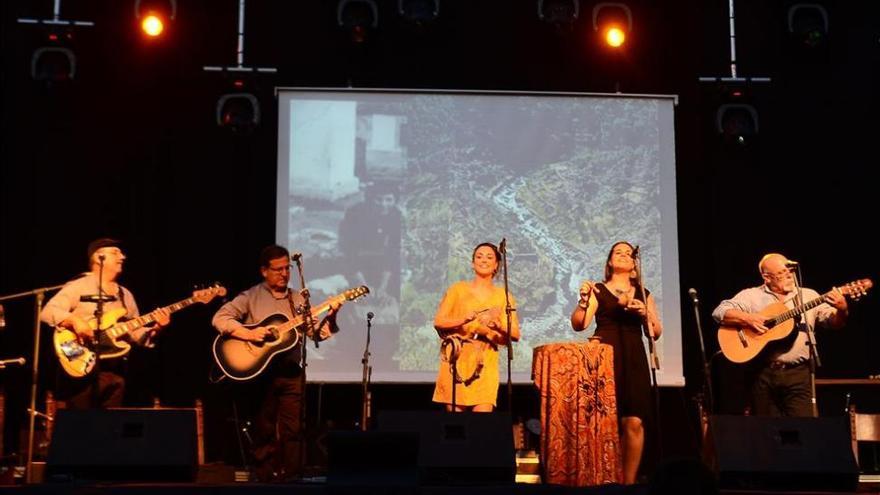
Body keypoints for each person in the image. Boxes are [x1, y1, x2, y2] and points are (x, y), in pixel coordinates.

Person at [212, 244, 342, 482]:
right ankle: (264, 479)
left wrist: (331, 314)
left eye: (287, 268)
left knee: (294, 431)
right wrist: (248, 334)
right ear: (264, 271)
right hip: (261, 375)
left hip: (291, 373)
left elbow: (316, 334)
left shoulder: (296, 300)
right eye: (278, 269)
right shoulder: (250, 296)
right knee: (264, 430)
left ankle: (292, 479)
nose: (284, 274)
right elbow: (220, 318)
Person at [570, 241, 662, 485]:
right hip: (604, 356)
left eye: (628, 253)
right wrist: (583, 300)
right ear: (610, 262)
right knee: (602, 420)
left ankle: (628, 485)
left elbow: (656, 331)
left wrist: (645, 314)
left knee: (634, 420)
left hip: (634, 356)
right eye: (617, 252)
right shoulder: (598, 289)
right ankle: (600, 481)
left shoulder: (644, 292)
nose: (623, 255)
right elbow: (579, 324)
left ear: (634, 264)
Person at [711, 253, 848, 417]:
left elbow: (834, 323)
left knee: (805, 429)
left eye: (790, 271)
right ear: (767, 277)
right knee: (766, 431)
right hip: (762, 374)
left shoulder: (808, 295)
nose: (789, 275)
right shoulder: (751, 296)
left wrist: (842, 309)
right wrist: (748, 318)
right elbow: (719, 312)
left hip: (798, 374)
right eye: (782, 273)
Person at [40, 238, 170, 409]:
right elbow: (48, 312)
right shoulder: (79, 286)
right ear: (98, 257)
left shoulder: (125, 295)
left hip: (115, 373)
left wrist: (158, 328)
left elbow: (136, 335)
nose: (122, 257)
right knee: (80, 426)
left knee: (108, 429)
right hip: (80, 365)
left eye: (121, 253)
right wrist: (74, 320)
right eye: (115, 252)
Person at [432, 242, 520, 412]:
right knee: (456, 428)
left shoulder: (504, 296)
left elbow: (514, 334)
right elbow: (439, 322)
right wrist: (463, 319)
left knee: (481, 423)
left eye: (489, 257)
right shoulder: (457, 290)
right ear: (473, 263)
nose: (483, 260)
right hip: (457, 358)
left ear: (496, 265)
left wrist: (497, 325)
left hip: (485, 360)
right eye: (479, 257)